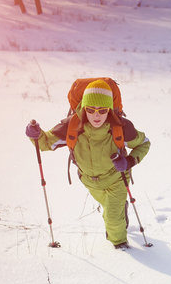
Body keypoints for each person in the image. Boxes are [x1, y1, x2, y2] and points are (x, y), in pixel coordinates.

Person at [25, 79, 150, 249]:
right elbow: (46, 142)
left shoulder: (120, 127)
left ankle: (120, 247)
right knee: (110, 208)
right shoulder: (72, 126)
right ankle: (121, 209)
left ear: (109, 110)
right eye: (90, 110)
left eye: (102, 110)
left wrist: (128, 161)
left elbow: (144, 143)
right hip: (90, 181)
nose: (96, 115)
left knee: (112, 218)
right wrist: (36, 135)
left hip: (116, 179)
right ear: (84, 108)